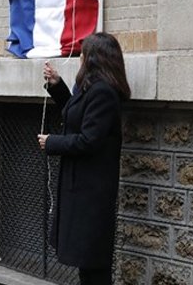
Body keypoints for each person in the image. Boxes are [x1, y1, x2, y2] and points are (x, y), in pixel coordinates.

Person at [37, 32, 131, 285]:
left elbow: (90, 139)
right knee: (85, 262)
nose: (79, 58)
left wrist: (52, 142)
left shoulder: (104, 92)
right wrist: (57, 85)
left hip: (92, 192)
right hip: (81, 188)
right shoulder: (92, 89)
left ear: (93, 58)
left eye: (82, 53)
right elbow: (73, 114)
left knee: (94, 263)